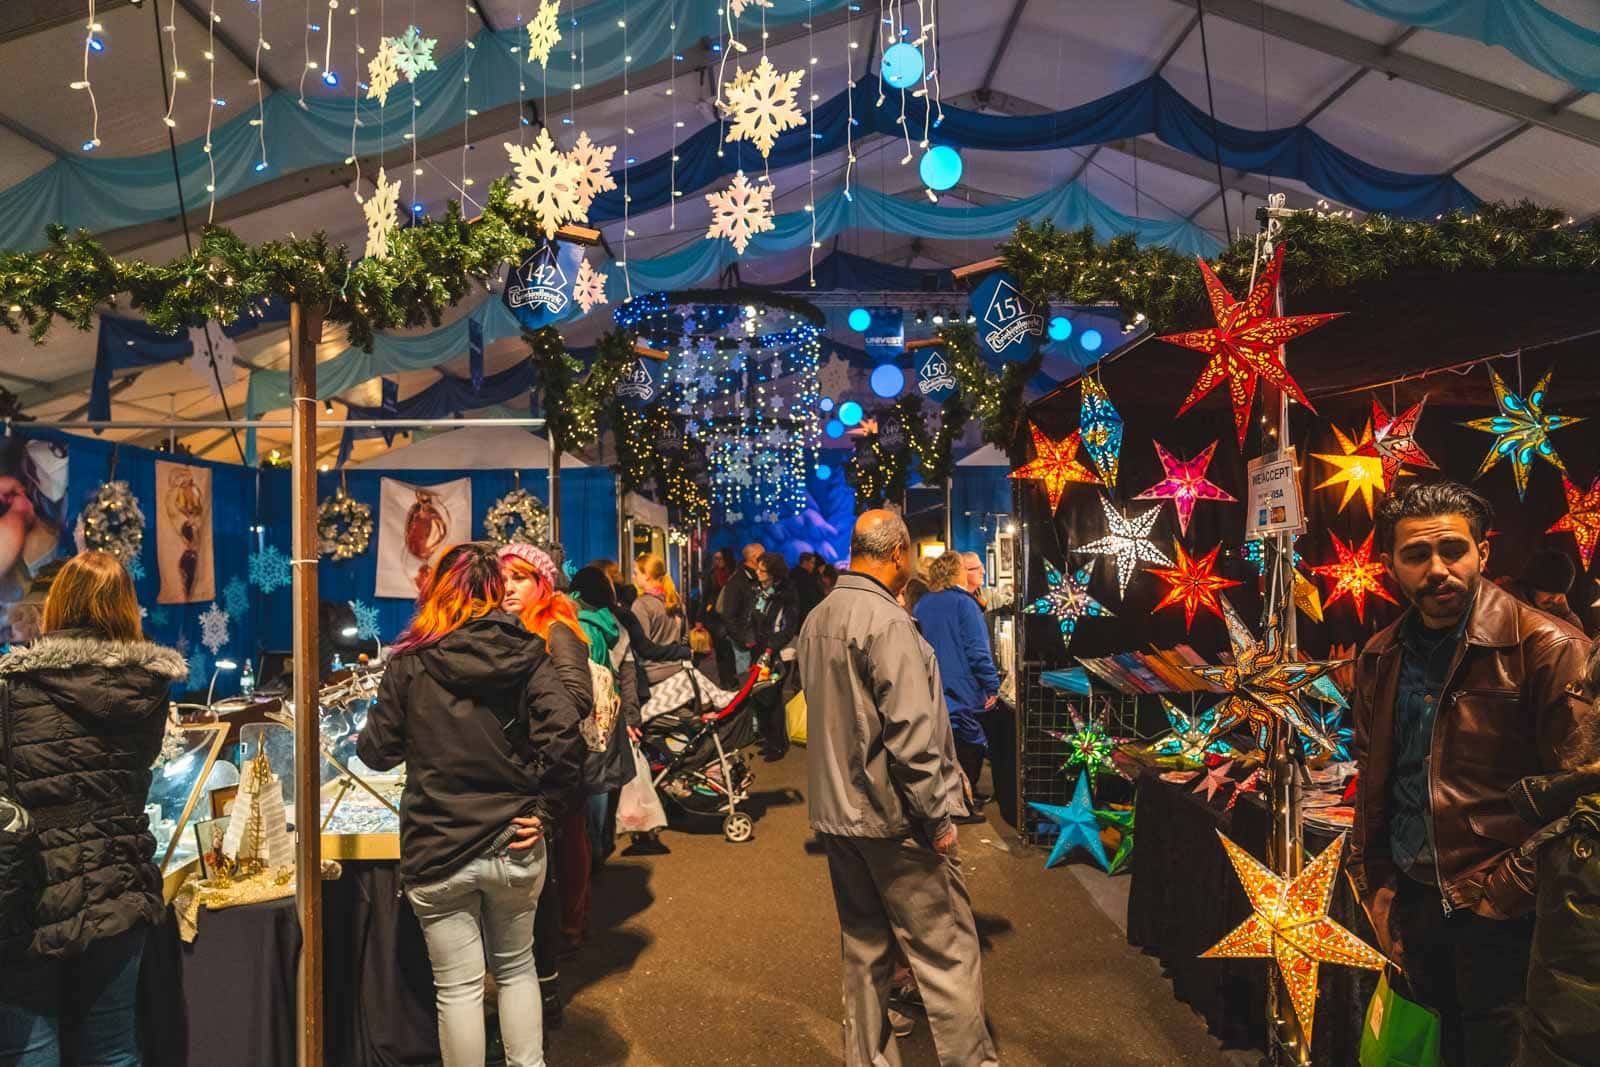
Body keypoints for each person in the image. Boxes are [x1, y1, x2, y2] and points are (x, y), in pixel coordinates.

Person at [1349, 482, 1600, 1067]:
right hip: (1414, 898)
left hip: (1504, 909)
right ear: (1390, 565)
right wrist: (1376, 882)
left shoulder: (1549, 647)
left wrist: (1502, 893)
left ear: (1482, 554)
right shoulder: (1381, 653)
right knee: (1434, 1049)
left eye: (1453, 550)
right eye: (1415, 555)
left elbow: (1586, 794)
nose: (1437, 569)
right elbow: (1377, 775)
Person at [359, 543, 582, 1067]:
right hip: (515, 841)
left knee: (458, 988)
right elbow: (565, 735)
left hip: (437, 845)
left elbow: (375, 752)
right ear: (491, 592)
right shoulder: (528, 652)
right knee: (516, 968)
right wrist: (545, 810)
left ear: (441, 591)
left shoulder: (410, 663)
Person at [796, 510, 996, 1067]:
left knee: (864, 947)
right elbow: (911, 733)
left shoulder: (819, 617)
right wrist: (937, 819)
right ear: (900, 552)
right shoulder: (886, 622)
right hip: (892, 816)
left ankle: (866, 1057)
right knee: (947, 953)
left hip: (837, 812)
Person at [0, 550, 187, 1066]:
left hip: (31, 896)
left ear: (56, 605)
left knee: (30, 1049)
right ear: (128, 608)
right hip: (119, 887)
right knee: (113, 1049)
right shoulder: (150, 688)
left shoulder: (14, 687)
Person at [913, 552, 1000, 819]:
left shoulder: (923, 604)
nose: (981, 572)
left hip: (932, 687)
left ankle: (960, 797)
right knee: (970, 744)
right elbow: (977, 651)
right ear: (958, 572)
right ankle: (962, 802)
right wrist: (992, 685)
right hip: (963, 688)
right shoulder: (965, 604)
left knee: (945, 746)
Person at [750, 552, 800, 762]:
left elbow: (788, 628)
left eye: (762, 570)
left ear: (773, 573)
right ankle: (770, 739)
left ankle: (778, 744)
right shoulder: (763, 592)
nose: (757, 573)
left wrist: (771, 647)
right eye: (757, 569)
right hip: (764, 651)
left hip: (779, 653)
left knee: (772, 698)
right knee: (762, 697)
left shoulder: (786, 594)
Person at [1498, 547, 1587, 633]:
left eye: (1560, 593)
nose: (1555, 599)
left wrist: (1566, 614)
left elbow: (1578, 641)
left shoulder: (1558, 608)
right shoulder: (1504, 602)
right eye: (1551, 592)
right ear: (1531, 586)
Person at [631, 553, 687, 687]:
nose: (634, 577)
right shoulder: (676, 601)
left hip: (652, 675)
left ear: (647, 575)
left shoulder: (641, 605)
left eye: (636, 573)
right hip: (678, 671)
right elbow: (685, 639)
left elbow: (641, 646)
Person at [719, 543, 763, 678]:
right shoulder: (738, 580)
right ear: (754, 558)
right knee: (746, 680)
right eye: (763, 555)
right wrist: (742, 639)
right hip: (745, 641)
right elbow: (729, 614)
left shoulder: (756, 578)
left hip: (755, 638)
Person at [702, 548, 738, 687]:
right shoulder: (711, 575)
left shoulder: (734, 574)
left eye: (720, 558)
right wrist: (700, 618)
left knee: (731, 650)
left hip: (731, 616)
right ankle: (724, 679)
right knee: (720, 650)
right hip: (715, 617)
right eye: (715, 559)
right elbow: (704, 597)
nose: (718, 562)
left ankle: (732, 677)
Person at [792, 551, 824, 622]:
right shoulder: (808, 579)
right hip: (804, 616)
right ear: (805, 562)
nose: (813, 566)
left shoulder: (791, 574)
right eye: (812, 563)